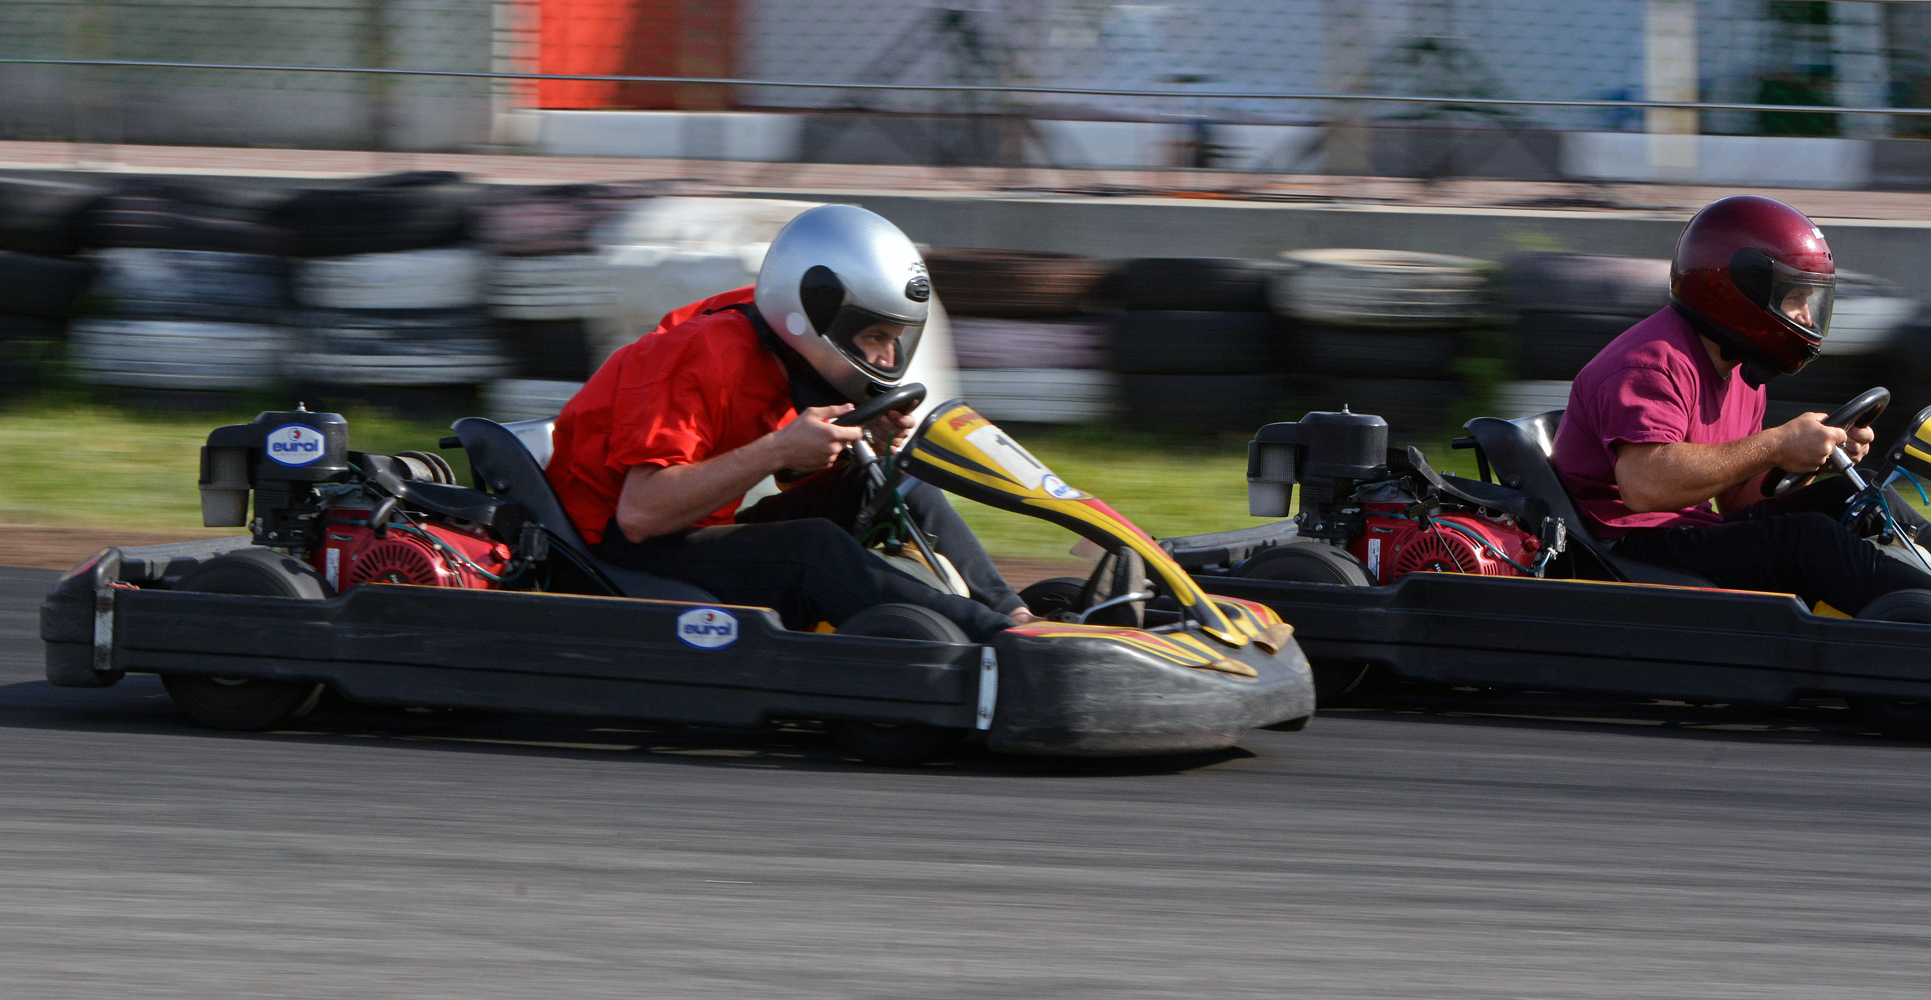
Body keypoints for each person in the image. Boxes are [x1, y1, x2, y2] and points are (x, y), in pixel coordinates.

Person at [544, 204, 1035, 641]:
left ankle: (1017, 615)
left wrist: (859, 439)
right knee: (812, 548)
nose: (888, 356)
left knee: (897, 481)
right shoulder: (703, 354)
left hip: (692, 525)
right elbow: (641, 514)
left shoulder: (787, 351)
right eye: (875, 336)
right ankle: (993, 639)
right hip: (611, 551)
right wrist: (778, 449)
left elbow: (798, 473)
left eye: (897, 338)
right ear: (816, 315)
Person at [1551, 194, 1931, 614]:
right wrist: (1776, 445)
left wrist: (1811, 460)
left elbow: (1738, 502)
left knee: (1851, 495)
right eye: (1795, 298)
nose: (1806, 316)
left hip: (1685, 529)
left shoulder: (1739, 368)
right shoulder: (1650, 361)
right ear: (1739, 289)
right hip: (1623, 547)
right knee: (1807, 542)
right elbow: (1644, 486)